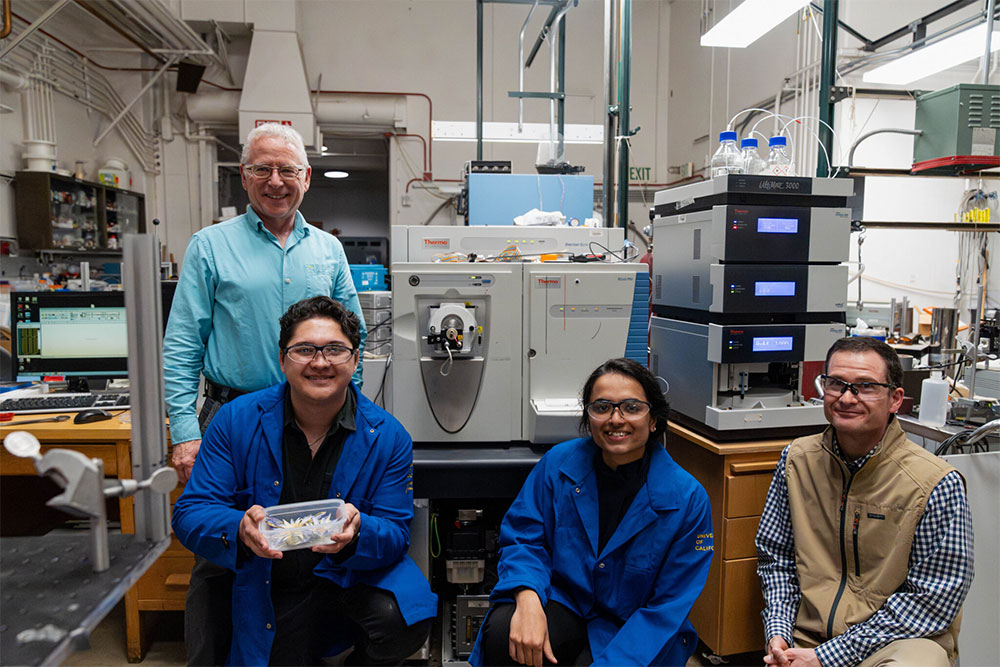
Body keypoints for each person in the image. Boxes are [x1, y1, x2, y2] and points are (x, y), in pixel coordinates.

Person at [163, 123, 365, 664]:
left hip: (315, 420)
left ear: (306, 178)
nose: (275, 181)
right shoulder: (210, 246)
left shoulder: (327, 250)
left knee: (306, 544)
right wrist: (186, 434)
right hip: (232, 416)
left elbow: (354, 338)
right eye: (262, 169)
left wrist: (357, 419)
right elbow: (182, 344)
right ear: (244, 177)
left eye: (287, 170)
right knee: (224, 549)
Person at [172, 296, 435, 666]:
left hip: (339, 576)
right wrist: (238, 527)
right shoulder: (235, 421)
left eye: (335, 350)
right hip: (256, 575)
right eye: (305, 350)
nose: (320, 362)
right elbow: (190, 512)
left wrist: (359, 531)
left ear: (355, 360)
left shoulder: (389, 437)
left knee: (403, 616)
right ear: (282, 360)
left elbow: (395, 533)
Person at [470, 358, 714, 667]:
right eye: (602, 407)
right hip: (565, 602)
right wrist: (527, 596)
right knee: (505, 635)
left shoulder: (688, 499)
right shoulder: (558, 464)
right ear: (589, 417)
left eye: (632, 407)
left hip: (636, 627)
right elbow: (523, 537)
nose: (616, 419)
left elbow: (667, 606)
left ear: (654, 419)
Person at [756, 337, 974, 667]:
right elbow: (777, 559)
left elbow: (932, 599)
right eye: (836, 384)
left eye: (865, 387)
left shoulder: (936, 483)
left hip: (897, 642)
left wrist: (828, 657)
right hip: (808, 636)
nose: (846, 397)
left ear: (895, 399)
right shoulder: (797, 460)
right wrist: (779, 635)